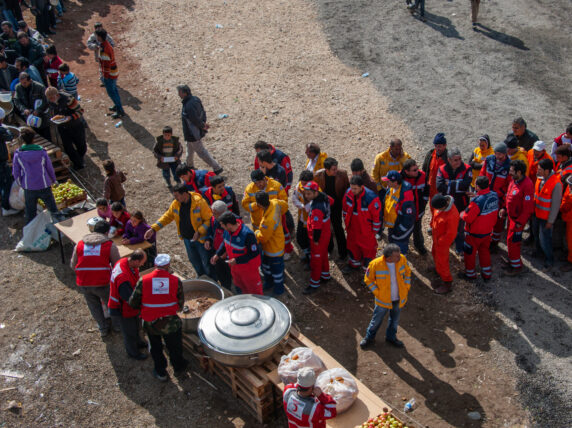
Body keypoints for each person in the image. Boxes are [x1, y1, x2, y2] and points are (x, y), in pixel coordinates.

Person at [129, 253, 188, 381]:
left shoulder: (143, 280)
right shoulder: (175, 281)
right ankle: (178, 367)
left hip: (150, 322)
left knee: (155, 348)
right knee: (175, 346)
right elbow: (180, 304)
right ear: (168, 265)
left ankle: (161, 371)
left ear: (155, 265)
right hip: (170, 323)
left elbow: (133, 302)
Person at [146, 184, 213, 277]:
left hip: (201, 240)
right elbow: (167, 217)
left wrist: (199, 231)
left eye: (177, 195)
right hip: (187, 239)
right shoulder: (176, 204)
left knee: (206, 261)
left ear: (185, 194)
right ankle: (201, 277)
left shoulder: (199, 203)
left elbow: (209, 220)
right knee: (194, 260)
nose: (175, 198)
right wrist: (153, 229)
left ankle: (211, 279)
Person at [70, 220, 120, 337]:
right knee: (111, 303)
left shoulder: (80, 244)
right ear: (107, 232)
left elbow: (73, 265)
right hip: (103, 282)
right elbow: (117, 265)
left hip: (84, 282)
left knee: (94, 306)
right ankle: (117, 326)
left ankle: (103, 328)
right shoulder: (109, 245)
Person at [360, 243, 411, 349]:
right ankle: (369, 338)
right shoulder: (375, 264)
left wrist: (407, 286)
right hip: (382, 300)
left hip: (398, 298)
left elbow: (407, 272)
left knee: (394, 320)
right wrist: (377, 293)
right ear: (389, 257)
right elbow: (368, 279)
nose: (400, 257)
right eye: (396, 256)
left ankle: (391, 337)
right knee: (376, 320)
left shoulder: (402, 259)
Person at [11, 126, 59, 222]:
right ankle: (59, 230)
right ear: (33, 139)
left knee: (30, 212)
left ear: (22, 140)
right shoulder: (41, 152)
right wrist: (54, 180)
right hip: (44, 185)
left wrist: (21, 184)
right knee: (53, 209)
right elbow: (49, 168)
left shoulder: (18, 155)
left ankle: (30, 231)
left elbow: (15, 172)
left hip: (29, 187)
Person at [108, 250, 148, 360]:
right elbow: (130, 299)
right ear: (135, 261)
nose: (143, 265)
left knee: (136, 326)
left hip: (129, 307)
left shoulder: (125, 262)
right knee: (129, 331)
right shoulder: (123, 278)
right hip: (123, 308)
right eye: (142, 262)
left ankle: (139, 341)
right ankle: (133, 352)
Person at [211, 211, 263, 294]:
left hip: (248, 271)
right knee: (241, 288)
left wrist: (237, 260)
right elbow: (224, 243)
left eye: (222, 224)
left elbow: (254, 253)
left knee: (255, 292)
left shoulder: (247, 235)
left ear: (228, 225)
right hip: (235, 269)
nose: (221, 226)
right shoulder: (227, 231)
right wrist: (217, 254)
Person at [459, 176, 499, 281]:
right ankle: (487, 274)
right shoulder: (494, 195)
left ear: (477, 186)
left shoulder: (476, 202)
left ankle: (470, 275)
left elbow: (468, 218)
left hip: (474, 234)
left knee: (469, 254)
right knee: (484, 252)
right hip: (487, 232)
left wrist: (462, 214)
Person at [256, 150, 295, 258]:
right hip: (267, 207)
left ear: (264, 162)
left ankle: (288, 249)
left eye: (259, 161)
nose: (258, 163)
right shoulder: (264, 171)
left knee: (283, 229)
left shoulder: (280, 171)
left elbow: (280, 189)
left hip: (277, 207)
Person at [177, 84, 222, 174]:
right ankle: (189, 165)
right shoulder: (195, 99)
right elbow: (202, 112)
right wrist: (203, 123)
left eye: (179, 92)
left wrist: (202, 125)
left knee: (201, 151)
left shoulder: (188, 105)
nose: (178, 94)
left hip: (192, 133)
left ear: (184, 93)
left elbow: (194, 119)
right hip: (193, 132)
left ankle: (216, 167)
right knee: (189, 148)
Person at [499, 160, 534, 276]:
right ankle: (512, 261)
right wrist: (504, 208)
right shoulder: (514, 181)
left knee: (514, 242)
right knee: (509, 241)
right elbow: (508, 196)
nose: (510, 173)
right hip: (511, 218)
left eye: (512, 171)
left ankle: (517, 266)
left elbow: (528, 207)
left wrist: (520, 222)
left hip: (517, 220)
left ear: (519, 172)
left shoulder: (527, 185)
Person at [341, 175, 381, 273]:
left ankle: (368, 274)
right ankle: (354, 265)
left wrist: (374, 232)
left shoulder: (371, 198)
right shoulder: (348, 193)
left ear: (362, 186)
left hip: (366, 231)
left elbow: (377, 217)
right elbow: (345, 209)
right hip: (352, 228)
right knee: (352, 247)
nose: (353, 190)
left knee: (368, 252)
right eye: (351, 188)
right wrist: (346, 224)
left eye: (355, 188)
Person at [436, 147, 472, 254]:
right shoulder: (442, 169)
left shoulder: (467, 168)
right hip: (447, 205)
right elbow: (439, 187)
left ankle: (459, 247)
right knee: (447, 226)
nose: (459, 162)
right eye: (456, 160)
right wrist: (457, 185)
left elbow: (466, 185)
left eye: (460, 159)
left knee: (460, 229)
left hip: (461, 204)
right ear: (449, 160)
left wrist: (449, 184)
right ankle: (448, 242)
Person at [314, 157, 349, 260]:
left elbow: (347, 189)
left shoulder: (342, 174)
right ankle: (329, 248)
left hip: (337, 205)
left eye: (336, 168)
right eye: (333, 169)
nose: (336, 171)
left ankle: (343, 252)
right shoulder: (318, 175)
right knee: (326, 228)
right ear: (327, 170)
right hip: (325, 205)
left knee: (338, 227)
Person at [254, 191, 288, 296]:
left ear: (259, 204)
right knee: (268, 266)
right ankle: (269, 282)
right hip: (277, 243)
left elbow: (263, 238)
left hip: (272, 249)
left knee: (276, 270)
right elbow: (285, 206)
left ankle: (278, 289)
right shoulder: (275, 203)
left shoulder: (267, 221)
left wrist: (256, 232)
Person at [302, 181, 332, 294]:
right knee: (323, 255)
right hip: (326, 234)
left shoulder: (316, 209)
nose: (306, 196)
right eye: (306, 193)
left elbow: (317, 227)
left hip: (319, 238)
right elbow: (332, 201)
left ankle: (314, 283)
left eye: (309, 194)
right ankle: (325, 275)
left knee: (316, 260)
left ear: (315, 193)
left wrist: (315, 240)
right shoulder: (324, 197)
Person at [45, 87, 87, 170]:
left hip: (75, 125)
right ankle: (77, 163)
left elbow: (80, 111)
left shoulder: (68, 99)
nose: (52, 100)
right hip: (62, 127)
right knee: (67, 147)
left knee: (81, 145)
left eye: (53, 98)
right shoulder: (50, 102)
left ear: (57, 95)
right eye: (50, 99)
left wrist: (70, 117)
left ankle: (80, 158)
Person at [480, 142, 511, 250]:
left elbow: (508, 185)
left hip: (499, 198)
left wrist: (498, 194)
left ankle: (495, 242)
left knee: (498, 221)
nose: (497, 156)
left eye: (500, 154)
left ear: (505, 154)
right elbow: (482, 174)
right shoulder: (489, 160)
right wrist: (481, 188)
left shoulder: (509, 166)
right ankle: (486, 239)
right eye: (496, 153)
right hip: (486, 194)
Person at [533, 158, 562, 270]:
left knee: (545, 239)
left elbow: (555, 205)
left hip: (546, 218)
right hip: (536, 214)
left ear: (547, 171)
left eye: (540, 169)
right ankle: (539, 253)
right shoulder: (540, 179)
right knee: (537, 236)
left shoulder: (556, 184)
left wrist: (550, 221)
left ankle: (549, 259)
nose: (537, 171)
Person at [430, 194, 459, 294]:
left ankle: (447, 283)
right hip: (437, 239)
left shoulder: (452, 215)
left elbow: (451, 234)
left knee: (442, 262)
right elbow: (434, 217)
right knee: (434, 253)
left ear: (443, 206)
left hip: (442, 243)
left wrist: (441, 242)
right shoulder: (440, 206)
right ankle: (438, 270)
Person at [382, 170, 415, 254]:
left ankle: (402, 258)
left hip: (400, 227)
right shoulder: (391, 189)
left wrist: (400, 230)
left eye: (388, 181)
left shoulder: (405, 195)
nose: (386, 183)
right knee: (392, 243)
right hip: (392, 225)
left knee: (400, 245)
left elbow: (408, 218)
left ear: (395, 182)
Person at [401, 159, 428, 254]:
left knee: (417, 229)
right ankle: (404, 247)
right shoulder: (400, 178)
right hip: (405, 211)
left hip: (418, 209)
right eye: (414, 170)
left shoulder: (423, 176)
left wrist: (424, 202)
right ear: (406, 171)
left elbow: (426, 190)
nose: (417, 171)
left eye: (417, 168)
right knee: (404, 229)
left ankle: (419, 245)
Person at [96, 28, 124, 118]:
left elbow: (106, 65)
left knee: (112, 92)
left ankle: (120, 110)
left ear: (100, 37)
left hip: (110, 74)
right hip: (113, 72)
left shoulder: (105, 49)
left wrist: (106, 76)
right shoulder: (105, 45)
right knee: (114, 90)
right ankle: (117, 106)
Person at [14, 72, 50, 141]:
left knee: (46, 137)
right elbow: (17, 101)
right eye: (21, 82)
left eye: (24, 82)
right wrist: (24, 109)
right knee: (34, 138)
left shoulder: (40, 87)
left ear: (30, 80)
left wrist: (38, 110)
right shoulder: (18, 87)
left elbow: (46, 101)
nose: (23, 84)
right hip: (29, 118)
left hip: (42, 117)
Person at [204, 201, 232, 289]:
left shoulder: (230, 223)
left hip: (227, 254)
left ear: (223, 213)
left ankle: (230, 288)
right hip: (216, 251)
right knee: (219, 271)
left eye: (215, 213)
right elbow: (210, 231)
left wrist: (226, 253)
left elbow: (231, 241)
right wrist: (208, 240)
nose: (213, 215)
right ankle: (224, 286)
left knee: (228, 273)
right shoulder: (214, 220)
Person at [422, 132, 448, 213]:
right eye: (436, 146)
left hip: (442, 189)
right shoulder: (430, 154)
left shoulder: (448, 157)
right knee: (432, 206)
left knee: (442, 209)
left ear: (445, 145)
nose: (437, 148)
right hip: (431, 187)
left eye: (439, 146)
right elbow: (424, 169)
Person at [292, 170, 314, 264]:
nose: (303, 185)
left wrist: (308, 207)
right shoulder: (298, 188)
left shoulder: (316, 190)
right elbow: (294, 199)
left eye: (305, 183)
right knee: (300, 238)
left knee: (311, 241)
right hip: (302, 219)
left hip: (313, 221)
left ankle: (311, 260)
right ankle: (307, 254)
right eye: (302, 182)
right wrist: (302, 206)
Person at [0, 107, 17, 216]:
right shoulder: (1, 130)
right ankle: (6, 207)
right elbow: (10, 136)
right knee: (7, 183)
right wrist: (6, 129)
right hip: (1, 162)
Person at [560, 175, 572, 272]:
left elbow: (567, 203)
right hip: (568, 217)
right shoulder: (570, 184)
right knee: (568, 239)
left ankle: (571, 261)